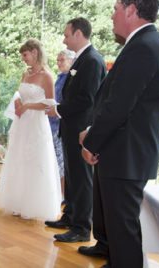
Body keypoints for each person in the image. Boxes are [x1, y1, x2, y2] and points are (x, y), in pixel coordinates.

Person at [78, 0, 159, 267]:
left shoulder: (143, 47)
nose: (112, 15)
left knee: (124, 234)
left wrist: (90, 142)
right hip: (124, 154)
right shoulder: (146, 44)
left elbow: (119, 106)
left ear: (131, 10)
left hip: (126, 155)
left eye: (116, 9)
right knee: (121, 233)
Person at [45, 18, 106, 242]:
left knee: (82, 178)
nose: (64, 39)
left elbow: (87, 100)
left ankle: (82, 227)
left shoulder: (91, 61)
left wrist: (58, 109)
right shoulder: (82, 60)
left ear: (78, 34)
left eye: (67, 35)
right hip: (70, 128)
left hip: (81, 129)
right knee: (71, 175)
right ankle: (70, 216)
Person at [0, 38, 62, 220]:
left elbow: (50, 105)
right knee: (19, 159)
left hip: (36, 123)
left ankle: (33, 205)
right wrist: (18, 101)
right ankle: (18, 202)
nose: (23, 59)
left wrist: (28, 107)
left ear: (34, 52)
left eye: (25, 55)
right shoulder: (25, 74)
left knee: (34, 160)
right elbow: (20, 93)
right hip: (21, 122)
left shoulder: (47, 76)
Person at [48, 49, 75, 200]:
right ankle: (58, 194)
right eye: (57, 60)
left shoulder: (69, 79)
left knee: (61, 163)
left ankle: (64, 195)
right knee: (56, 162)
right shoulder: (60, 78)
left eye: (62, 60)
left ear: (71, 61)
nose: (58, 63)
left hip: (60, 125)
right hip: (52, 124)